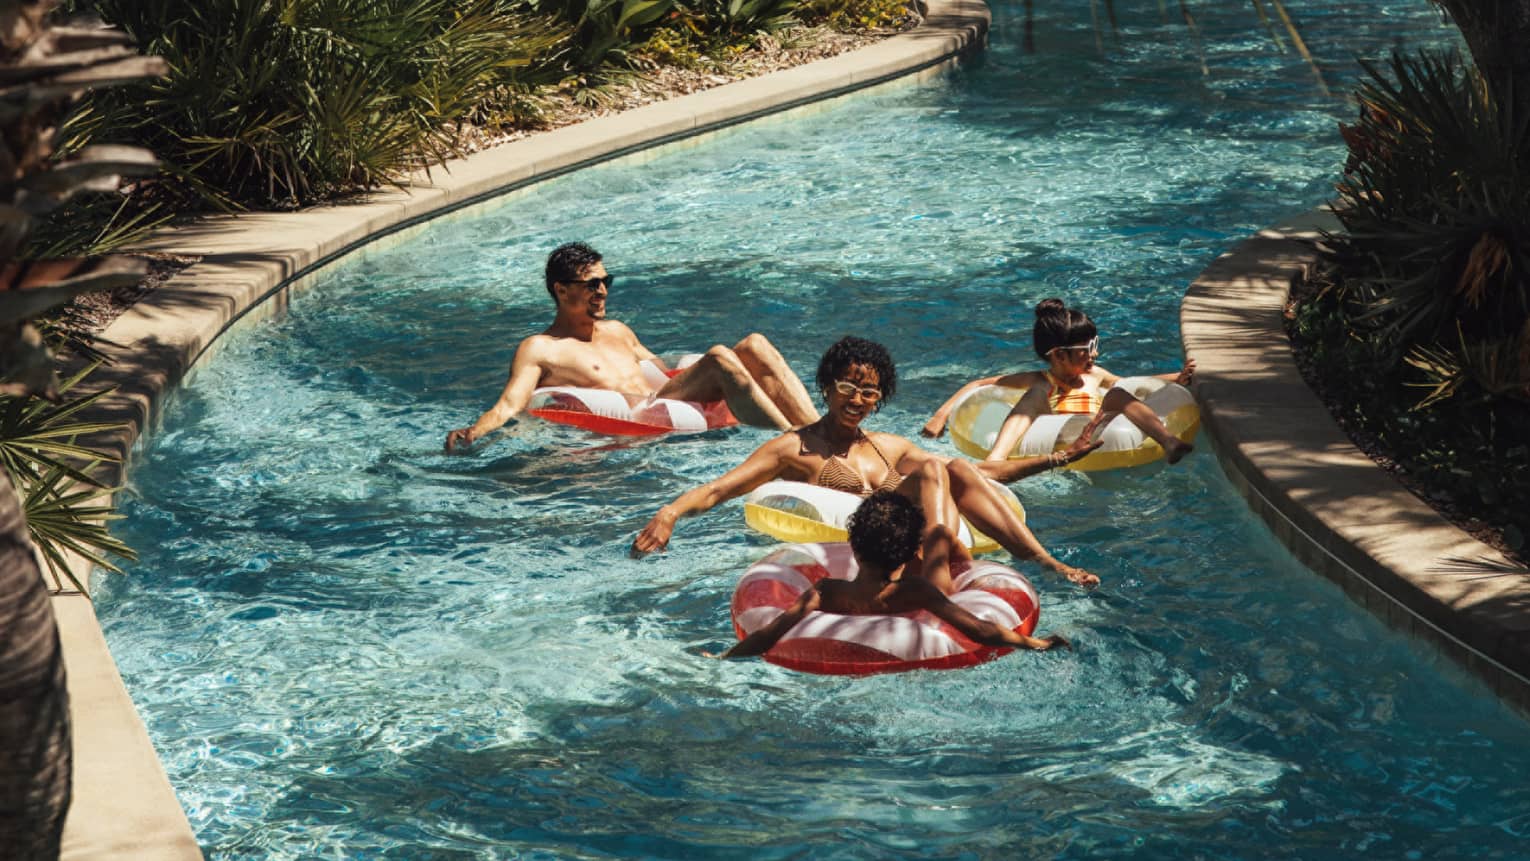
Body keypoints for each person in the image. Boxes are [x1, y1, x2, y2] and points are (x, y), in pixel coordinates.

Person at [633, 336, 1102, 588]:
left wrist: (1059, 457)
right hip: (865, 549)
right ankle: (941, 577)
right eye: (847, 387)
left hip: (912, 537)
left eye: (870, 393)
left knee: (953, 467)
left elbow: (979, 475)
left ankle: (1046, 563)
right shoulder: (793, 448)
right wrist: (670, 512)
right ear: (826, 388)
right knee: (937, 468)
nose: (857, 400)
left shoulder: (889, 447)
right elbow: (721, 488)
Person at [444, 242, 819, 450]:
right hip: (641, 422)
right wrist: (474, 432)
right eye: (592, 284)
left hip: (665, 403)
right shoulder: (541, 348)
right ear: (561, 290)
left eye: (606, 281)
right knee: (720, 356)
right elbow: (509, 405)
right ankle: (797, 448)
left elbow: (666, 374)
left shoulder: (618, 331)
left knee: (754, 344)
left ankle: (822, 433)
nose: (602, 291)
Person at [712, 491, 1070, 659]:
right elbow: (979, 630)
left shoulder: (826, 591)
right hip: (921, 644)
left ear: (853, 548)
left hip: (838, 647)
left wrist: (725, 657)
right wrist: (1037, 644)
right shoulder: (914, 591)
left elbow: (769, 634)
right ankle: (949, 551)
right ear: (911, 554)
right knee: (941, 534)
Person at [921, 297, 1195, 465]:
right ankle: (996, 459)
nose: (1095, 354)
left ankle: (1168, 441)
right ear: (1060, 355)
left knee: (1117, 393)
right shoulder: (1039, 379)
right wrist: (940, 416)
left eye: (1095, 345)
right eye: (1087, 349)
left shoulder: (1095, 374)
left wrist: (1176, 377)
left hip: (1097, 427)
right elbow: (979, 385)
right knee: (1036, 394)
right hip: (1059, 435)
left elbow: (1132, 382)